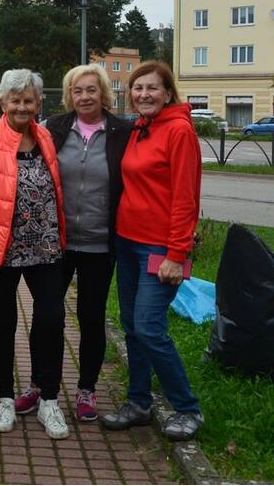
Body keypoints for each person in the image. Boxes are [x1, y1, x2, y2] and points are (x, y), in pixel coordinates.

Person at [5, 65, 131, 423]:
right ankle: (37, 384)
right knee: (46, 317)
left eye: (92, 90)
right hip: (54, 244)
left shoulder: (122, 132)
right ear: (68, 95)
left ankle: (86, 389)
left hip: (99, 243)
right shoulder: (53, 129)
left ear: (104, 94)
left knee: (92, 318)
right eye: (78, 91)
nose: (85, 97)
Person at [101, 61, 204, 441]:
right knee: (132, 327)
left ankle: (187, 408)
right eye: (137, 88)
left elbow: (185, 198)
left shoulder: (178, 131)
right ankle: (139, 402)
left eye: (151, 88)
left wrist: (177, 254)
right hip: (127, 243)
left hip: (160, 247)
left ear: (168, 92)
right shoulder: (141, 129)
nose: (143, 94)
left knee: (149, 327)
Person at [0, 69, 69, 440]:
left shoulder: (46, 138)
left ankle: (49, 399)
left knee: (50, 321)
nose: (22, 106)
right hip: (2, 252)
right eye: (15, 100)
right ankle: (5, 398)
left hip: (46, 248)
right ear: (3, 103)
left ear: (39, 103)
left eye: (29, 100)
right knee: (2, 325)